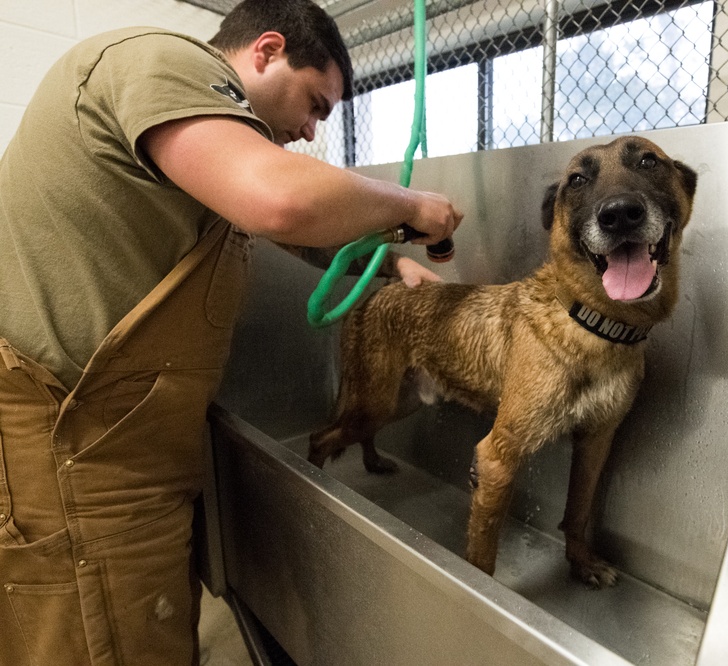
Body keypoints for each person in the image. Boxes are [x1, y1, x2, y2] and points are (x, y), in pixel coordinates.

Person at [0, 0, 461, 663]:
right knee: (105, 637)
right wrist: (413, 204)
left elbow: (294, 231)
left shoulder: (194, 145)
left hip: (122, 436)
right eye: (314, 104)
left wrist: (391, 263)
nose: (307, 131)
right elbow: (280, 201)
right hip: (72, 438)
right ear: (267, 51)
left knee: (143, 622)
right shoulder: (163, 60)